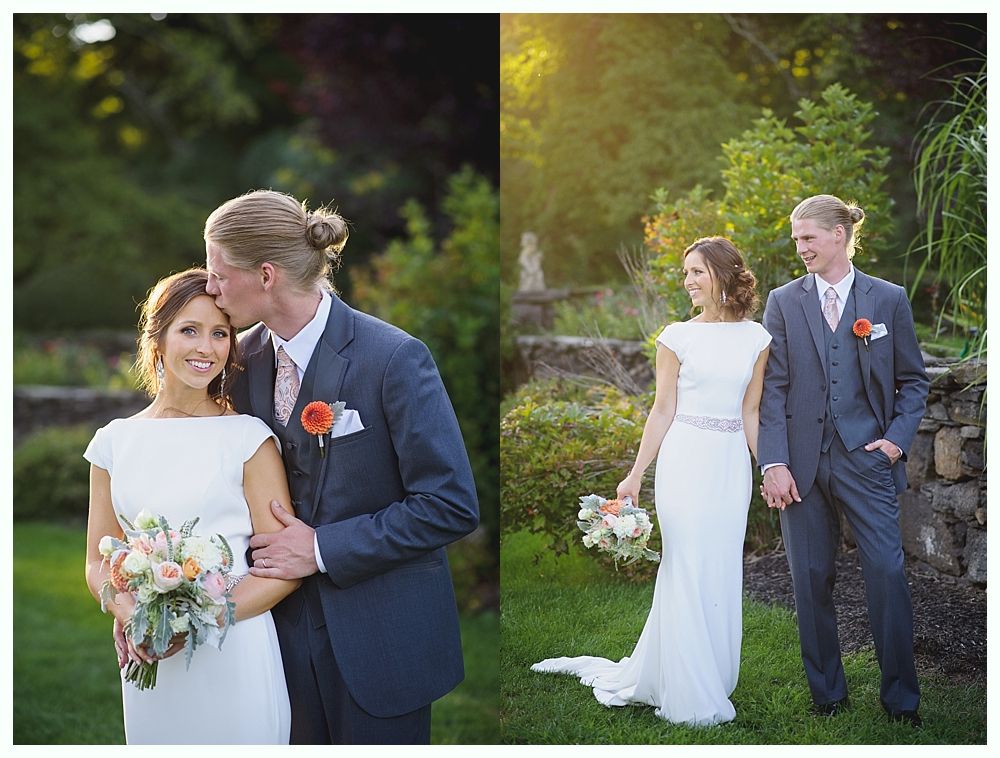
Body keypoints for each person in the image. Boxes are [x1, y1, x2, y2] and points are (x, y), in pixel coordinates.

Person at [202, 189, 479, 744]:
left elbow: (450, 506)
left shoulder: (394, 358)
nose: (210, 289)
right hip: (270, 641)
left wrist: (322, 549)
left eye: (218, 274)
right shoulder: (237, 363)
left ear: (265, 274)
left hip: (381, 639)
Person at [532, 237, 771, 726]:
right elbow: (662, 409)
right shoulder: (675, 337)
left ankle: (710, 673)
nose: (688, 281)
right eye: (686, 273)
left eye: (697, 272)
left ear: (724, 275)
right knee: (683, 565)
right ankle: (689, 692)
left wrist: (768, 466)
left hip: (729, 465)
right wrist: (635, 474)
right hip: (684, 461)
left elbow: (751, 411)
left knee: (719, 567)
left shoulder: (757, 339)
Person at [84, 268, 300, 744]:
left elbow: (283, 567)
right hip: (152, 657)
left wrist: (202, 619)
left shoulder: (248, 439)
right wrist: (134, 617)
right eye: (189, 330)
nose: (206, 348)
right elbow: (99, 561)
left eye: (219, 333)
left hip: (234, 649)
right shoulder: (113, 444)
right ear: (157, 338)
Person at [758, 194, 928, 727]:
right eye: (796, 239)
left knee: (886, 571)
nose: (800, 247)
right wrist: (773, 462)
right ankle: (827, 694)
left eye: (808, 237)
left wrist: (896, 441)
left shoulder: (888, 299)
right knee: (809, 578)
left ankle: (901, 698)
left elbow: (913, 381)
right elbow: (774, 389)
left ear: (839, 235)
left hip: (867, 458)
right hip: (801, 464)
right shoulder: (783, 300)